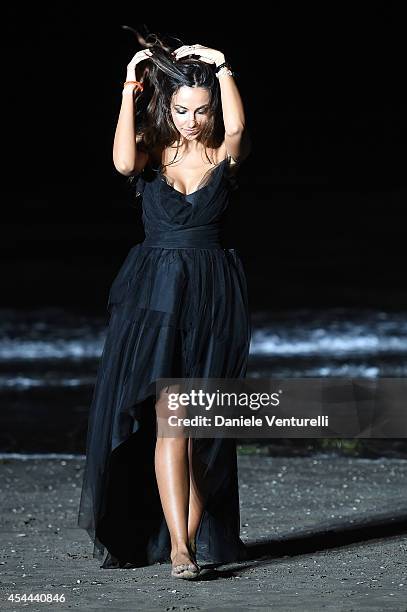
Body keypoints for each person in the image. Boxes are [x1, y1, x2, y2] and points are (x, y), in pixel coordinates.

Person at [77, 32, 252, 581]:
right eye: (182, 110)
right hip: (154, 298)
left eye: (202, 111)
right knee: (171, 421)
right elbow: (122, 161)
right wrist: (129, 87)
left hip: (213, 300)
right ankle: (181, 548)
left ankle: (186, 535)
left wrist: (224, 69)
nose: (191, 120)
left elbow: (240, 129)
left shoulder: (225, 154)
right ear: (167, 106)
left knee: (205, 430)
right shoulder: (153, 154)